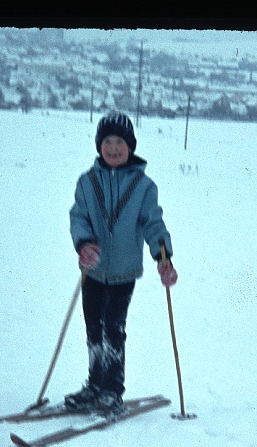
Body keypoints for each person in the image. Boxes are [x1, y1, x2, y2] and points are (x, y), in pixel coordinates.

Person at [65, 111, 177, 415]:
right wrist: (84, 243)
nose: (114, 148)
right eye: (108, 142)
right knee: (93, 328)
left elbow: (153, 223)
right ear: (99, 145)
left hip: (124, 272)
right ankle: (94, 384)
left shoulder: (143, 186)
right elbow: (79, 217)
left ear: (131, 146)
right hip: (93, 269)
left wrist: (163, 255)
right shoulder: (87, 182)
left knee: (113, 329)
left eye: (120, 143)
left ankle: (112, 389)